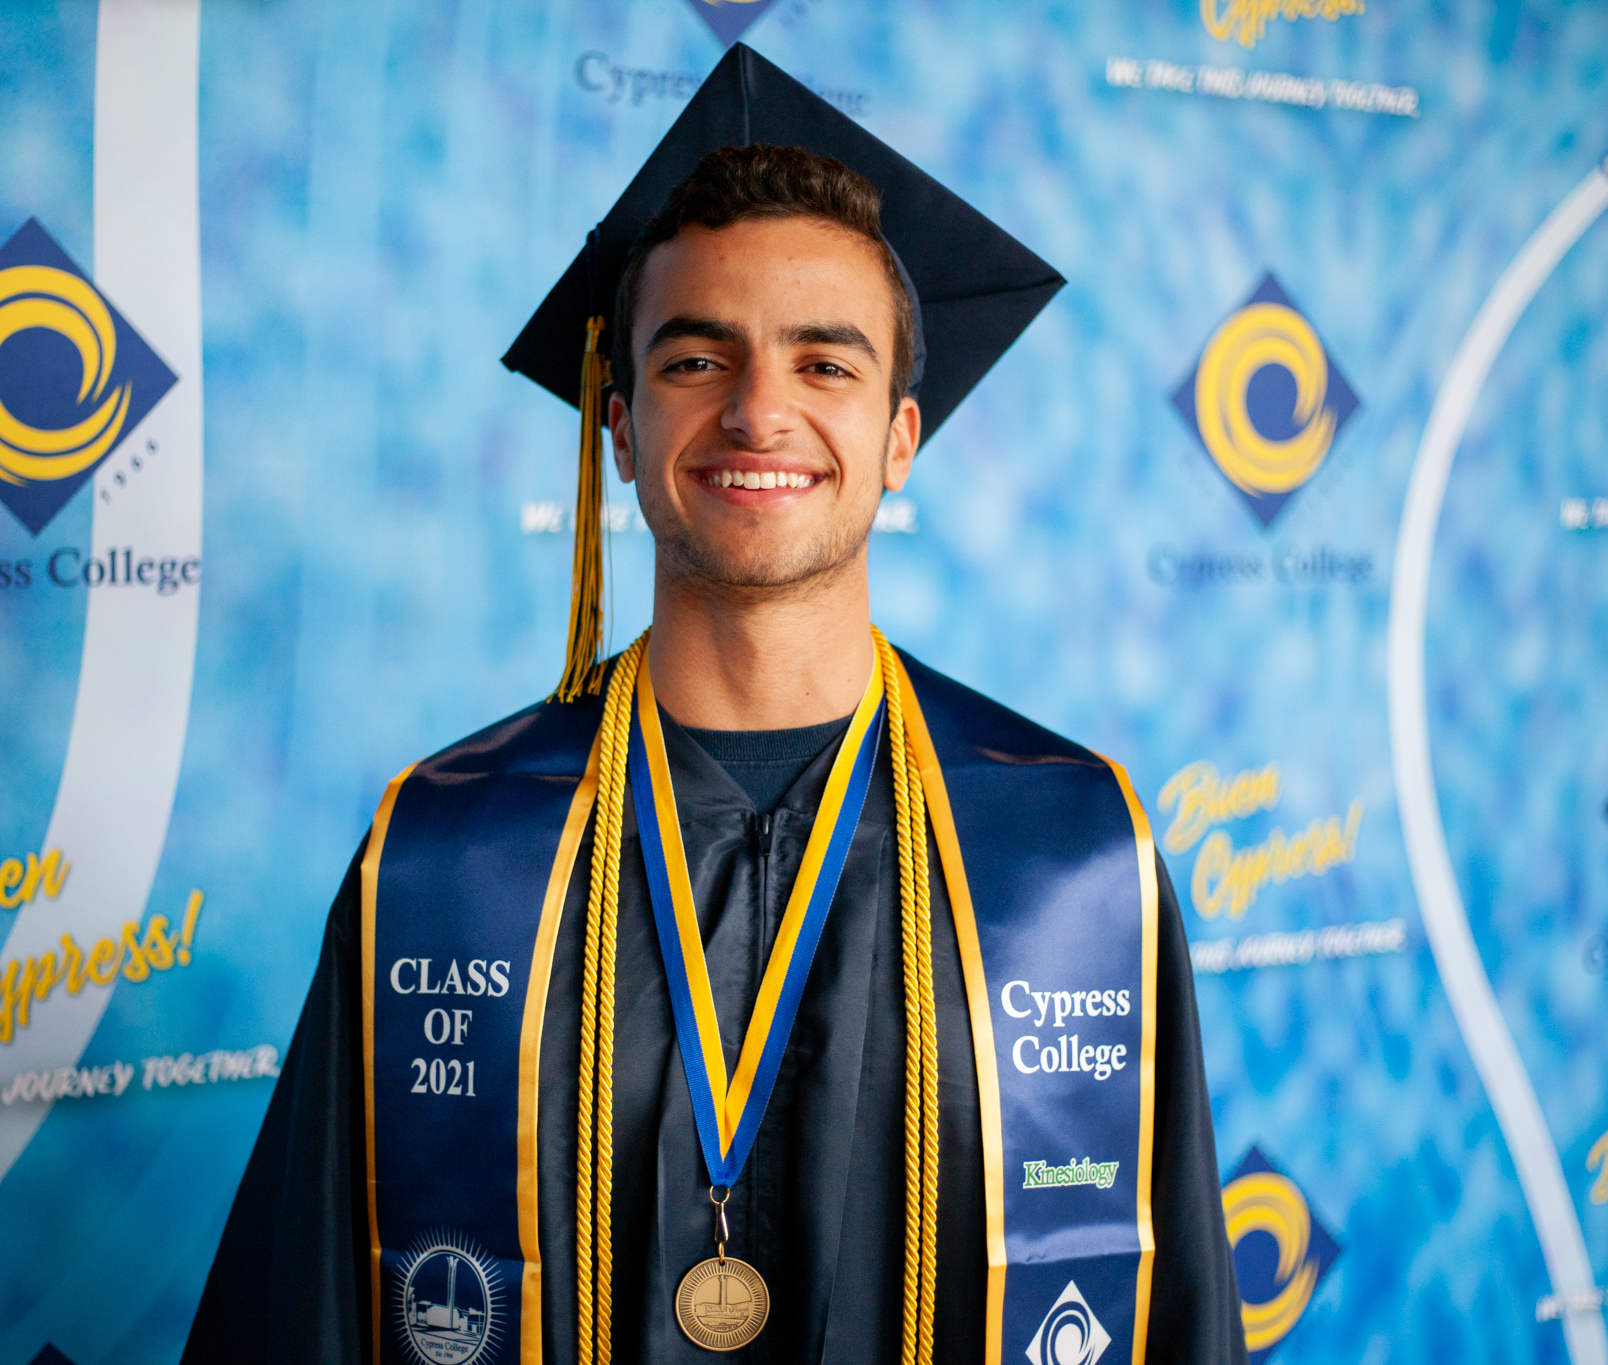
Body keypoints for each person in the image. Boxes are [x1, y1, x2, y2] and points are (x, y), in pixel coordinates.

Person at [185, 45, 1245, 1365]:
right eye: (698, 361)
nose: (758, 411)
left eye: (826, 364)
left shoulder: (1070, 856)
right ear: (618, 425)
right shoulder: (446, 858)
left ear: (901, 436)